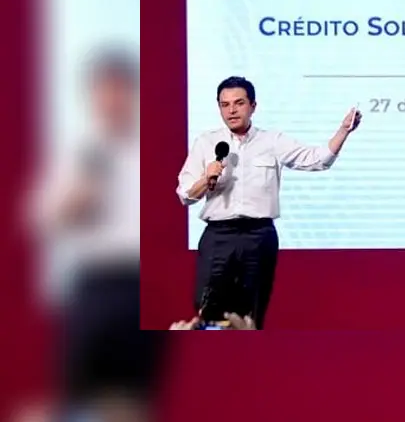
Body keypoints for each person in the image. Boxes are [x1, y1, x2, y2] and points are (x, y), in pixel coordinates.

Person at [28, 46, 163, 422]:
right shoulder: (79, 152)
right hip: (94, 284)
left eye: (120, 89)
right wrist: (79, 195)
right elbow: (44, 220)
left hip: (142, 285)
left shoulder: (154, 148)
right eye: (104, 91)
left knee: (131, 398)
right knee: (79, 396)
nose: (112, 99)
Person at [176, 76, 362, 329]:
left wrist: (343, 132)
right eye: (225, 104)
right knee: (208, 311)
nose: (231, 110)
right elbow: (185, 194)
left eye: (239, 103)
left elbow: (318, 160)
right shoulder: (205, 143)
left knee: (251, 313)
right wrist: (206, 178)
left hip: (259, 236)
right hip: (218, 236)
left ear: (253, 106)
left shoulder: (272, 141)